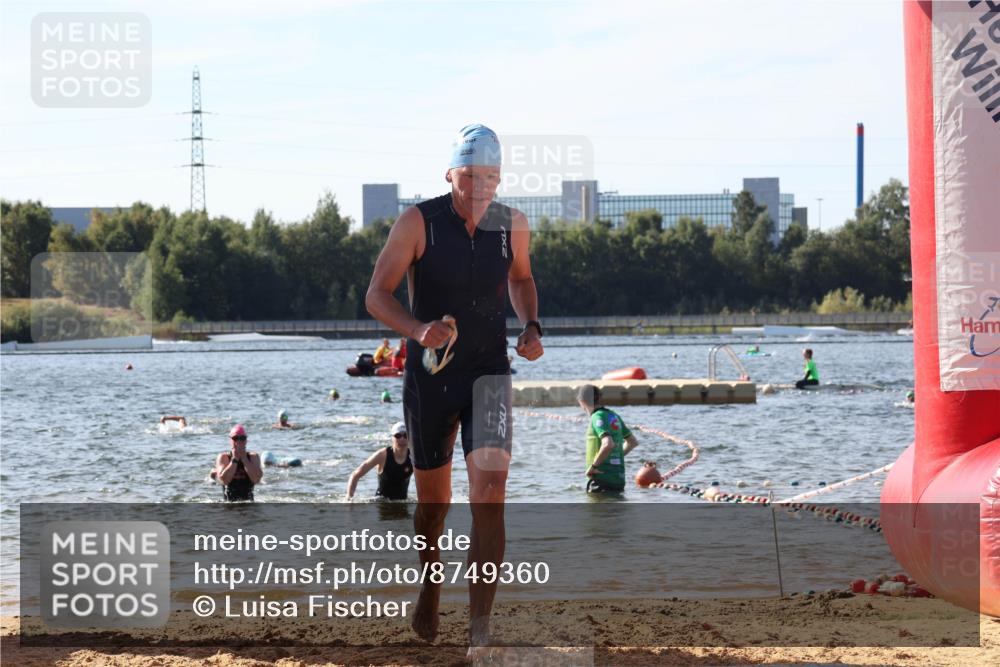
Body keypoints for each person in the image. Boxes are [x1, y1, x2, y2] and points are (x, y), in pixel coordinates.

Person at [364, 123, 543, 653]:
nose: (478, 186)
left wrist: (531, 326)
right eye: (469, 175)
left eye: (489, 176)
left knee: (490, 498)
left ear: (500, 177)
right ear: (450, 174)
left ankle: (480, 629)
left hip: (490, 373)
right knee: (433, 507)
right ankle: (429, 580)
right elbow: (377, 295)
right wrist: (419, 330)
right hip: (431, 378)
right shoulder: (419, 222)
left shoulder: (513, 224)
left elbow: (522, 279)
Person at [577, 385, 639, 493]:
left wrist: (593, 466)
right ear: (599, 398)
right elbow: (632, 442)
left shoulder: (597, 417)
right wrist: (614, 456)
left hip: (601, 480)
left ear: (581, 401)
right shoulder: (614, 416)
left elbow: (608, 444)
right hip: (618, 480)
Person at [346, 421, 414, 501]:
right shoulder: (382, 455)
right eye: (398, 436)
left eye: (406, 435)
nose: (402, 439)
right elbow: (355, 475)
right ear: (392, 438)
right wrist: (349, 500)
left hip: (403, 503)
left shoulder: (414, 456)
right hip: (381, 503)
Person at [212, 424, 263, 502]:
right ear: (230, 441)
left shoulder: (253, 457)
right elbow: (225, 480)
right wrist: (234, 459)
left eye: (242, 438)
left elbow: (256, 479)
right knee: (214, 474)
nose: (239, 442)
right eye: (235, 438)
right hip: (228, 505)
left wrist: (244, 459)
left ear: (246, 441)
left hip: (249, 504)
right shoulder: (224, 457)